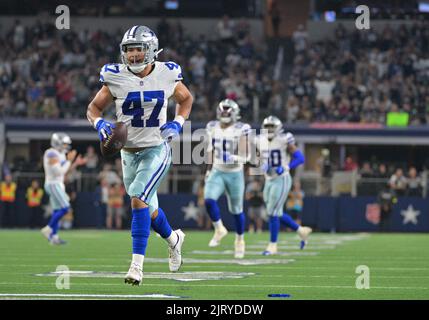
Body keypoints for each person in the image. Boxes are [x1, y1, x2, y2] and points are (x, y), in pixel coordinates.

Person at [86, 25, 193, 286]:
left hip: (157, 149)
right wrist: (99, 124)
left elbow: (186, 99)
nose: (133, 55)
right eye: (129, 50)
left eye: (139, 49)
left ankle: (136, 266)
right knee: (150, 209)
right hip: (128, 154)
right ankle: (174, 239)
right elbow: (93, 108)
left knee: (137, 200)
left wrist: (178, 122)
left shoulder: (168, 73)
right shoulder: (116, 76)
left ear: (152, 50)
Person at [255, 116, 312, 255]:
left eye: (271, 127)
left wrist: (286, 167)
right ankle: (301, 231)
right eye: (266, 127)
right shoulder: (259, 140)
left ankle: (272, 246)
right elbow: (258, 158)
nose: (268, 130)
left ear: (278, 128)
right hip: (268, 179)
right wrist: (262, 164)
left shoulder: (284, 139)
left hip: (282, 178)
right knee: (276, 213)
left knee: (272, 212)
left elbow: (300, 158)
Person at [203, 99, 251, 259]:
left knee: (237, 210)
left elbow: (247, 156)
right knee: (209, 200)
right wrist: (208, 170)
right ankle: (219, 229)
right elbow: (210, 149)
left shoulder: (241, 128)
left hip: (235, 173)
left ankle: (239, 239)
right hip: (217, 170)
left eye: (227, 112)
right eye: (222, 112)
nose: (224, 115)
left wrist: (232, 157)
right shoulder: (212, 126)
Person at [40, 133, 86, 244]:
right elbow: (59, 171)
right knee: (65, 208)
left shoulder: (60, 154)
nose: (66, 146)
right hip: (53, 184)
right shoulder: (51, 153)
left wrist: (74, 163)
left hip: (57, 184)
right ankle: (49, 229)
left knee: (57, 210)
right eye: (64, 144)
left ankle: (54, 237)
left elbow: (65, 172)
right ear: (57, 143)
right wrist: (70, 161)